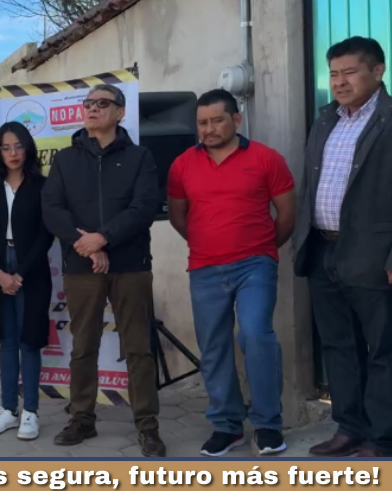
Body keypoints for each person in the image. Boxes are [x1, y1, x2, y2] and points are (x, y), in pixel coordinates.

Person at [167, 89, 296, 457]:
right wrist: (208, 243)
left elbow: (287, 214)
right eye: (202, 123)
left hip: (255, 264)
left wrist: (263, 248)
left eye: (217, 121)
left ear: (236, 120)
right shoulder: (182, 165)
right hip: (204, 267)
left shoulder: (266, 159)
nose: (208, 129)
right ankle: (227, 425)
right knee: (214, 346)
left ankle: (268, 425)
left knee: (256, 335)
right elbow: (178, 216)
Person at [41, 84, 165, 457]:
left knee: (138, 348)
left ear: (120, 112)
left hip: (131, 266)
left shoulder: (140, 157)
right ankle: (82, 418)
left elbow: (144, 207)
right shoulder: (65, 160)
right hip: (81, 267)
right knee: (83, 347)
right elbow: (52, 209)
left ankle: (148, 426)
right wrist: (87, 244)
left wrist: (104, 239)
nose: (92, 109)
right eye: (88, 103)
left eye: (102, 103)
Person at [293, 36, 392, 458]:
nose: (339, 82)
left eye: (350, 72)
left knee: (384, 349)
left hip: (374, 256)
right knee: (338, 345)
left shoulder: (388, 119)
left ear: (378, 71)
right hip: (323, 251)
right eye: (333, 73)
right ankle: (349, 427)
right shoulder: (325, 120)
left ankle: (383, 438)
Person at [0, 122, 52, 441]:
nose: (13, 153)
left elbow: (47, 234)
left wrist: (20, 274)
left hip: (30, 268)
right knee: (6, 340)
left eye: (18, 146)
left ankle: (30, 411)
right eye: (6, 147)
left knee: (28, 339)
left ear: (28, 148)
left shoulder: (42, 185)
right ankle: (8, 409)